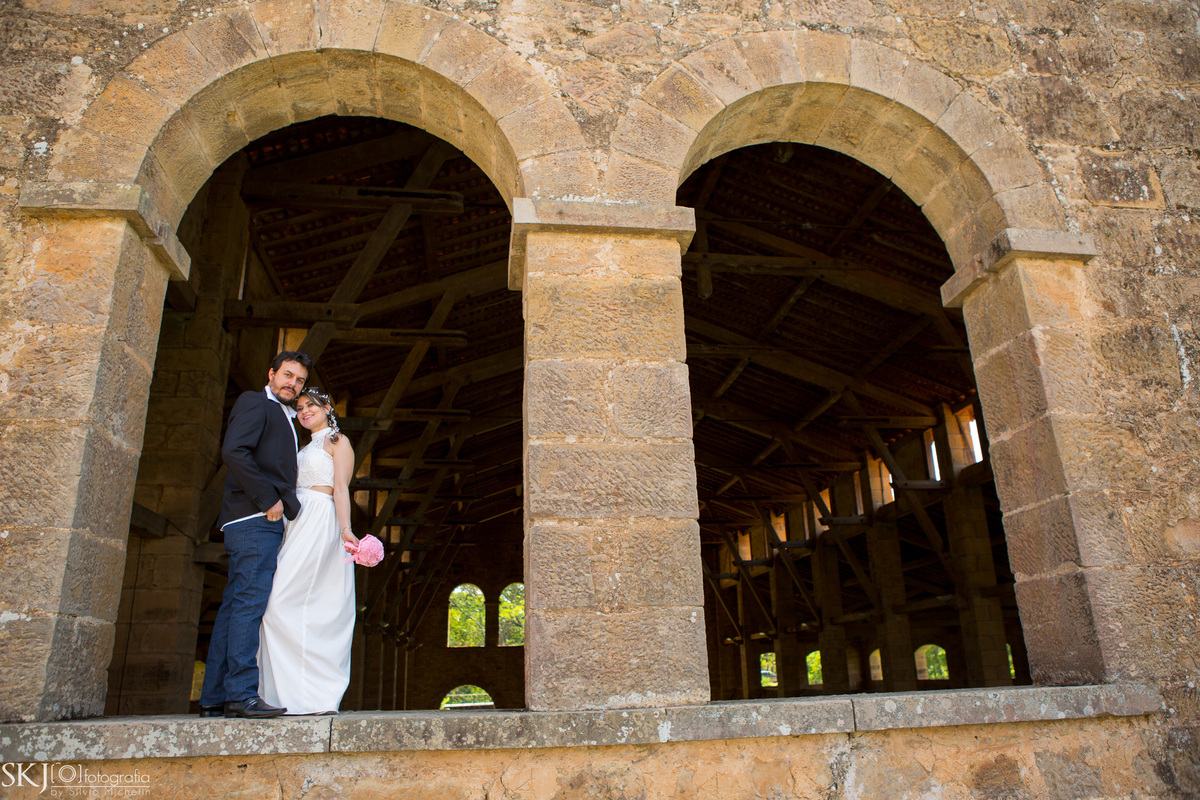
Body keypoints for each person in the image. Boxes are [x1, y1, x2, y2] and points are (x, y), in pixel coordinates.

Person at [198, 351, 312, 719]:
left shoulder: (286, 416)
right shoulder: (254, 402)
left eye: (298, 381)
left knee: (235, 607)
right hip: (253, 517)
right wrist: (270, 501)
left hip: (250, 519)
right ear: (271, 373)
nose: (291, 384)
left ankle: (214, 696)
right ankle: (243, 695)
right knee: (249, 605)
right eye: (287, 375)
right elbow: (234, 451)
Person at [257, 387, 359, 715]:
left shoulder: (337, 442)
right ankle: (285, 696)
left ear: (328, 407)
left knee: (284, 603)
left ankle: (315, 696)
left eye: (310, 405)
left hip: (320, 519)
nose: (303, 411)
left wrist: (345, 529)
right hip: (295, 522)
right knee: (277, 606)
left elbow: (341, 488)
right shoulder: (304, 446)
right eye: (299, 407)